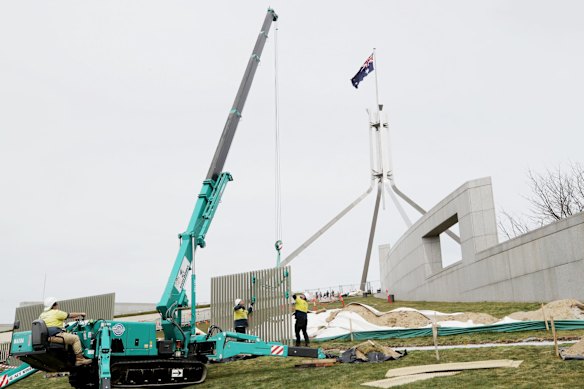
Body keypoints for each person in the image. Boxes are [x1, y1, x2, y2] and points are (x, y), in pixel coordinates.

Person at [38, 297, 92, 366]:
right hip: (55, 336)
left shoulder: (42, 315)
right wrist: (81, 314)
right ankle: (80, 359)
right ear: (54, 305)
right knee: (75, 338)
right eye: (56, 304)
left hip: (46, 338)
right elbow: (69, 315)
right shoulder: (56, 312)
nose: (57, 305)